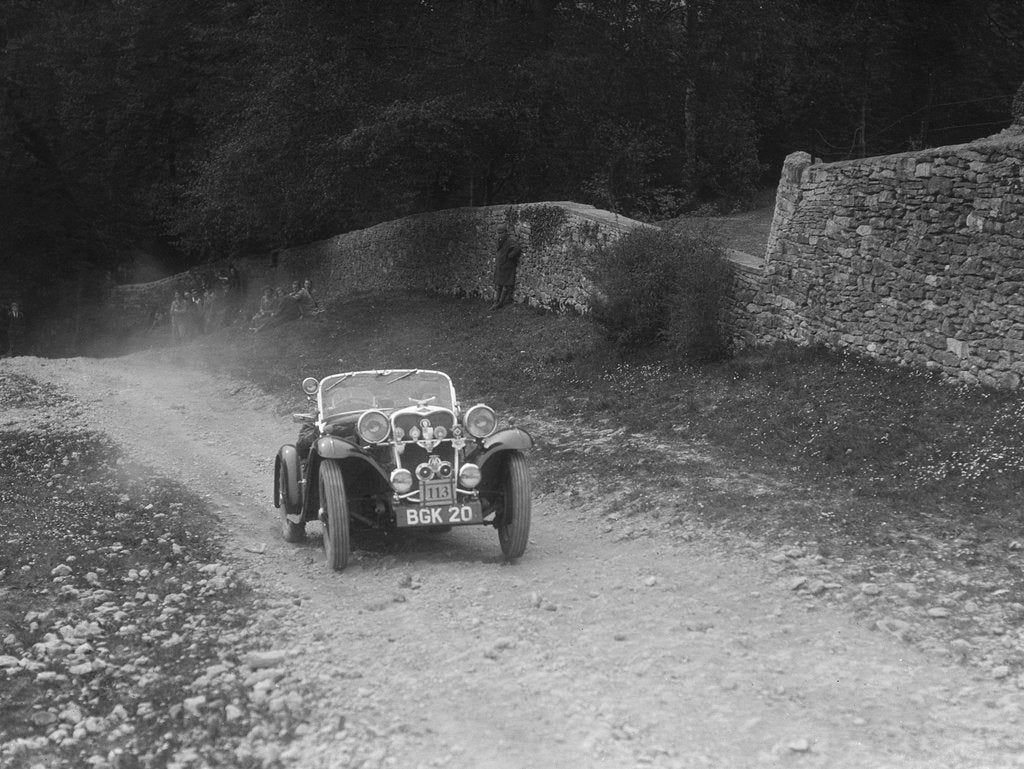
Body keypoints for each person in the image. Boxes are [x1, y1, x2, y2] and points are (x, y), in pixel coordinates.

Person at [491, 223, 522, 310]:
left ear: (505, 232)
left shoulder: (510, 240)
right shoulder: (499, 240)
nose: (499, 235)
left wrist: (510, 255)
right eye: (498, 233)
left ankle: (500, 303)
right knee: (498, 285)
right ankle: (496, 302)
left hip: (508, 266)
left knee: (505, 285)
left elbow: (517, 248)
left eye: (501, 233)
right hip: (500, 265)